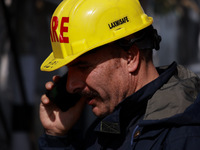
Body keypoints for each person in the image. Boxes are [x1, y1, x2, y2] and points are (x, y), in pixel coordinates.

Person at [39, 0, 200, 149]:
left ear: (130, 57)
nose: (70, 85)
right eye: (69, 69)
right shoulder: (111, 124)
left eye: (83, 66)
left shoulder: (183, 134)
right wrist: (56, 136)